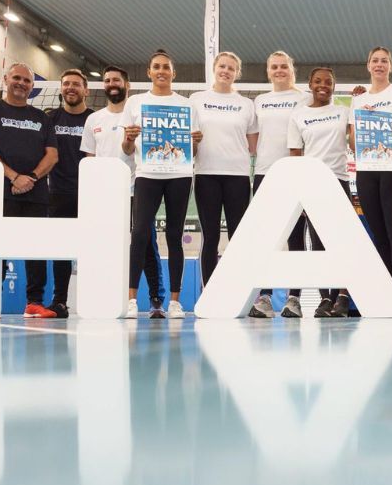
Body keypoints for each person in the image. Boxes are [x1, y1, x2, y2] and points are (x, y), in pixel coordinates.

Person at [0, 63, 59, 318]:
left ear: (32, 86)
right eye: (17, 78)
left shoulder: (42, 118)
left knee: (36, 250)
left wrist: (30, 178)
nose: (21, 83)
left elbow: (52, 156)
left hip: (35, 194)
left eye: (27, 81)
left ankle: (34, 302)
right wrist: (13, 176)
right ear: (6, 79)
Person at [80, 65, 167, 317]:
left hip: (137, 190)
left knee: (147, 244)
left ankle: (156, 300)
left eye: (116, 80)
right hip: (105, 195)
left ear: (126, 85)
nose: (111, 83)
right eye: (107, 80)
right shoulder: (93, 120)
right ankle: (105, 296)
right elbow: (89, 158)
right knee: (103, 245)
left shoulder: (140, 113)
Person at [122, 49, 201, 319]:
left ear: (173, 73)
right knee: (140, 233)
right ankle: (131, 299)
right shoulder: (135, 103)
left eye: (166, 67)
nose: (161, 71)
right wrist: (130, 138)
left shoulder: (187, 105)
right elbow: (125, 147)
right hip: (147, 174)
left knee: (174, 235)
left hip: (179, 175)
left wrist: (195, 142)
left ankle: (175, 302)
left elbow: (194, 151)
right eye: (156, 67)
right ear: (149, 72)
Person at [349, 46, 392, 294]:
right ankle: (383, 292)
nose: (379, 64)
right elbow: (354, 143)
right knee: (377, 233)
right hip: (367, 171)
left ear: (391, 66)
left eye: (384, 61)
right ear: (368, 66)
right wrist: (365, 119)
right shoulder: (358, 100)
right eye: (375, 61)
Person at [286, 67, 354, 317]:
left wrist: (361, 102)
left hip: (338, 181)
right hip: (312, 184)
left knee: (342, 242)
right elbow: (295, 157)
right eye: (318, 81)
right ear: (310, 84)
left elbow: (358, 140)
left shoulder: (343, 111)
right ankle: (325, 298)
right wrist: (300, 194)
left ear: (334, 86)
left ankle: (342, 298)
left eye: (328, 82)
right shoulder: (299, 116)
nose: (323, 85)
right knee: (317, 244)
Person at [249, 51, 310, 318]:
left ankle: (294, 298)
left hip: (295, 172)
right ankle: (264, 296)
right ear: (268, 71)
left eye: (284, 66)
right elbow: (254, 140)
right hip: (265, 173)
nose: (279, 70)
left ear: (291, 69)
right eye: (274, 66)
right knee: (267, 238)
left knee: (296, 236)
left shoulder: (304, 98)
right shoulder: (260, 101)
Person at [190, 52, 257, 290]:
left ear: (237, 73)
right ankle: (209, 290)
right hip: (207, 173)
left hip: (237, 176)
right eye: (222, 66)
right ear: (214, 68)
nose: (225, 71)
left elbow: (253, 145)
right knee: (211, 238)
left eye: (231, 68)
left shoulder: (246, 104)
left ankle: (238, 290)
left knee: (238, 237)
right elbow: (190, 139)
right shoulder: (196, 99)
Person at [45, 68, 93, 318]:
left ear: (86, 90)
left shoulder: (95, 119)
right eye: (66, 84)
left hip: (91, 194)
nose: (70, 88)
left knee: (92, 249)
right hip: (59, 192)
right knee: (61, 248)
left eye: (76, 84)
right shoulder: (50, 118)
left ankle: (95, 299)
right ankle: (60, 300)